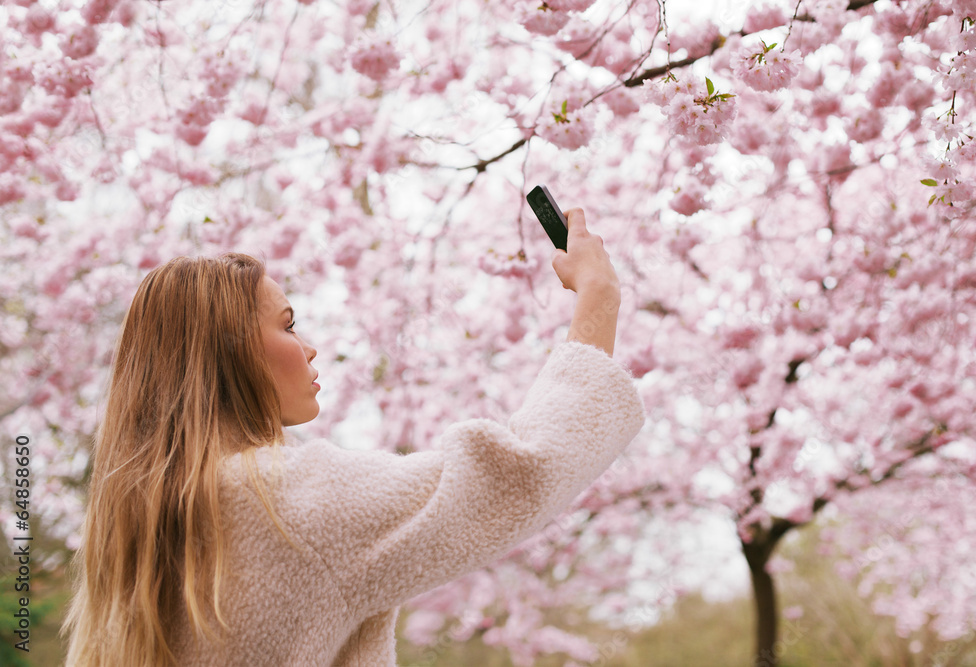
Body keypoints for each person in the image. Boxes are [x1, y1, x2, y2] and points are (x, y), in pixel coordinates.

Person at [61, 208, 645, 667]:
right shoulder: (282, 503)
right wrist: (599, 298)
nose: (310, 345)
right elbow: (519, 475)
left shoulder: (140, 527)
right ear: (228, 351)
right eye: (289, 324)